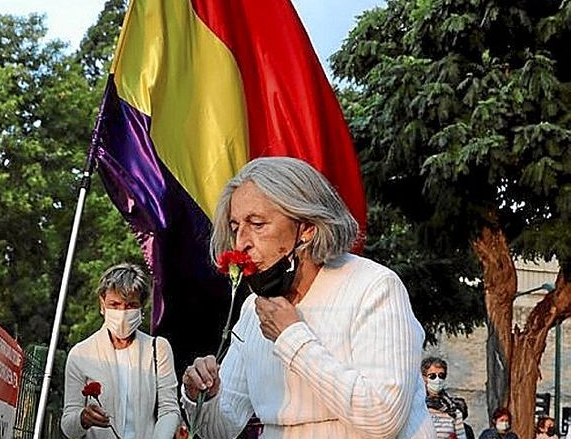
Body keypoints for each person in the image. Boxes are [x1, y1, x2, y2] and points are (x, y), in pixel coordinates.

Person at [181, 157, 435, 438]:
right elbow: (223, 430)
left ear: (307, 228)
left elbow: (382, 417)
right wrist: (203, 397)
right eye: (235, 227)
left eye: (257, 224)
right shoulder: (254, 309)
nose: (241, 243)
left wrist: (292, 338)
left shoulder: (374, 287)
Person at [61, 263, 181, 438]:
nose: (122, 313)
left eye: (131, 305)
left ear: (142, 307)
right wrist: (83, 418)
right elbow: (68, 426)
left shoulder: (158, 349)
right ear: (102, 304)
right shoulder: (81, 354)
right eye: (114, 305)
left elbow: (169, 410)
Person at [421, 356, 471, 438]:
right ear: (424, 377)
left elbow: (461, 436)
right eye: (432, 376)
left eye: (441, 375)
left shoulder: (453, 409)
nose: (437, 379)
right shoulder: (416, 405)